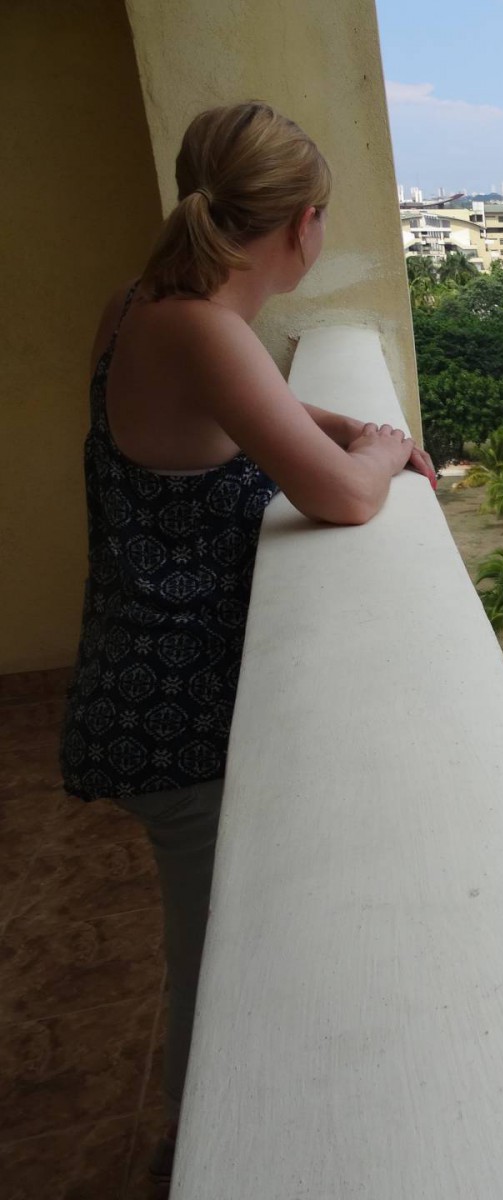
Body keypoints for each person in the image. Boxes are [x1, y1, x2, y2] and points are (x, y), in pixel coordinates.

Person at [57, 102, 433, 1183]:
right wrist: (385, 445)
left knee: (218, 941)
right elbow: (346, 503)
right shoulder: (204, 329)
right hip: (177, 713)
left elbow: (251, 410)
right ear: (303, 227)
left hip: (141, 676)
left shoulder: (141, 308)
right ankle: (206, 1158)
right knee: (217, 965)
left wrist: (340, 425)